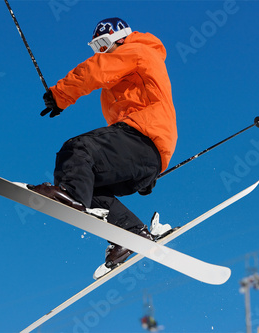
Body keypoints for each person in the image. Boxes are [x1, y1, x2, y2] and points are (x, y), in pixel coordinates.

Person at [28, 17, 178, 276]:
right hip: (145, 153)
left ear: (119, 37)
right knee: (91, 183)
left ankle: (72, 196)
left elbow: (96, 70)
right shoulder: (118, 83)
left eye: (103, 44)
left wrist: (61, 95)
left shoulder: (137, 49)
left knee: (76, 150)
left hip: (143, 138)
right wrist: (143, 172)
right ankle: (131, 232)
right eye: (96, 46)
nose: (101, 51)